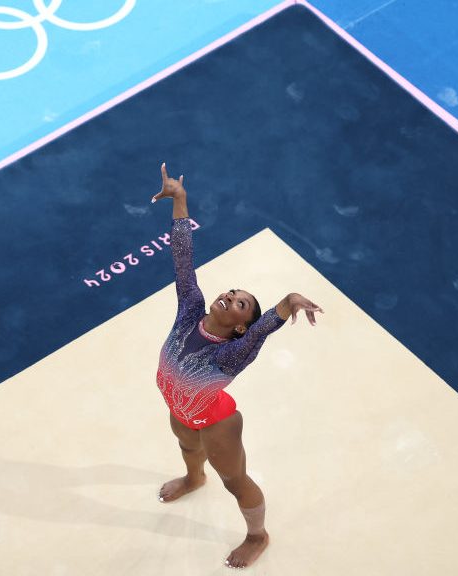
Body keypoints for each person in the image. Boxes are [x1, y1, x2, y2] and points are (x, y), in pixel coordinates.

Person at [150, 163, 324, 569]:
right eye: (231, 291)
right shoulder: (189, 309)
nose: (229, 297)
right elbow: (182, 259)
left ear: (240, 324)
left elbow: (262, 330)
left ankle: (257, 535)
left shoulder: (230, 353)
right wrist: (180, 201)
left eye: (240, 302)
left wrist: (289, 300)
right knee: (184, 444)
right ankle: (194, 478)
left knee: (235, 481)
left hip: (216, 420)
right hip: (181, 408)